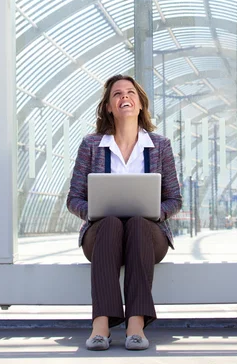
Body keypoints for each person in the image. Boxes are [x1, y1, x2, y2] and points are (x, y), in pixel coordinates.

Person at [67, 74, 182, 351]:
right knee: (109, 224)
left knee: (139, 225)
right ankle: (101, 325)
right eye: (116, 94)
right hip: (102, 234)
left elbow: (175, 199)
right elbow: (74, 199)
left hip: (148, 234)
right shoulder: (91, 145)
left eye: (130, 93)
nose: (124, 97)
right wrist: (93, 211)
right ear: (108, 106)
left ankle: (135, 323)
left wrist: (155, 212)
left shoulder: (160, 146)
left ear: (141, 104)